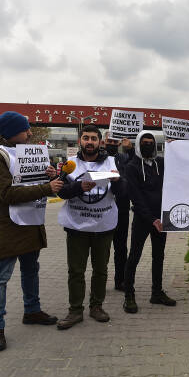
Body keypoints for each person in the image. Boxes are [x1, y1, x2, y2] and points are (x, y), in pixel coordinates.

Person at [0, 111, 63, 351]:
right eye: (25, 129)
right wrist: (46, 188)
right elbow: (8, 193)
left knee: (31, 270)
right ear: (11, 132)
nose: (29, 133)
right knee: (0, 277)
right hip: (8, 225)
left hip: (29, 222)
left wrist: (49, 176)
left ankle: (32, 311)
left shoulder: (25, 152)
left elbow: (32, 183)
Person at [56, 124, 123, 329]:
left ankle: (97, 306)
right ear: (80, 141)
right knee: (76, 271)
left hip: (103, 226)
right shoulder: (70, 164)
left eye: (94, 138)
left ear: (100, 142)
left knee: (100, 270)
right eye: (86, 138)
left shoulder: (112, 162)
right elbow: (61, 191)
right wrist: (78, 187)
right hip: (77, 227)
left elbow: (124, 192)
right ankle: (75, 310)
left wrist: (117, 181)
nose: (90, 142)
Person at [122, 131, 176, 313]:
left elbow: (177, 171)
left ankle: (157, 292)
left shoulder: (161, 163)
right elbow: (136, 197)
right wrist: (152, 219)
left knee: (158, 257)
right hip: (143, 219)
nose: (148, 145)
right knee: (134, 257)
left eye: (150, 143)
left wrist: (175, 147)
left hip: (161, 219)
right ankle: (129, 296)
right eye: (144, 143)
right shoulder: (132, 167)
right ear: (138, 145)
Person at [102, 131, 134, 291]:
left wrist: (130, 149)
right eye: (109, 141)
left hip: (121, 209)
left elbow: (136, 163)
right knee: (102, 248)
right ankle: (99, 281)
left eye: (115, 142)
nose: (112, 144)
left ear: (119, 143)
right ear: (103, 142)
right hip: (101, 210)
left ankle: (120, 280)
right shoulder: (97, 158)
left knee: (121, 247)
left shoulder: (125, 158)